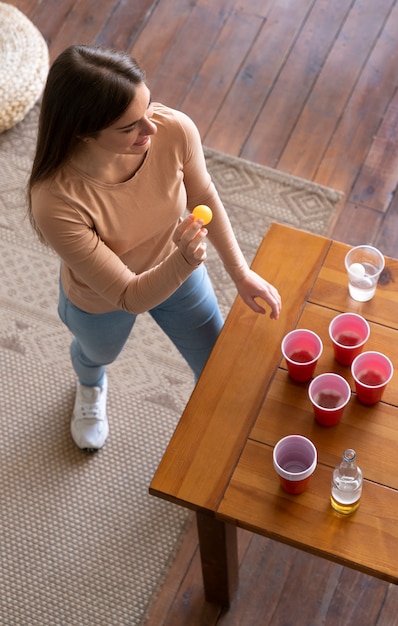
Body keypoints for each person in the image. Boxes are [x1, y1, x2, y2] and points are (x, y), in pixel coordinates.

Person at [28, 45, 281, 452]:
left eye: (147, 108)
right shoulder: (55, 200)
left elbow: (204, 193)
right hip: (102, 300)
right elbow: (128, 295)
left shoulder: (174, 129)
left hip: (177, 273)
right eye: (130, 127)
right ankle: (90, 385)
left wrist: (240, 273)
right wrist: (184, 259)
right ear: (83, 132)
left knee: (216, 365)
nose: (152, 129)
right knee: (98, 354)